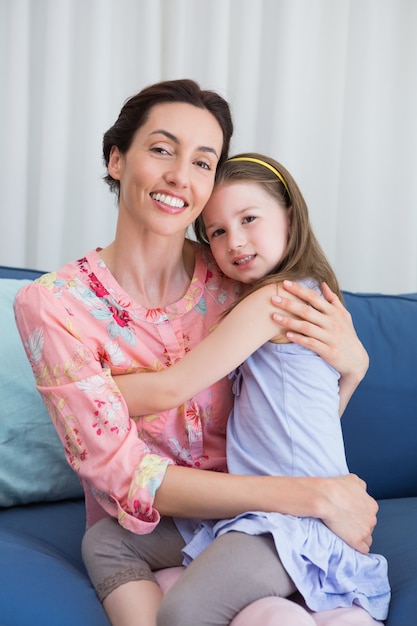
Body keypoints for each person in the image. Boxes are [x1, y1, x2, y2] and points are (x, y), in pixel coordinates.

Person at [13, 79, 375, 626]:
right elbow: (123, 471)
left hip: (259, 517)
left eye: (203, 162)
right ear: (116, 159)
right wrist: (312, 496)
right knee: (106, 543)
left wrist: (355, 363)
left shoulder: (237, 277)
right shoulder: (54, 306)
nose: (181, 176)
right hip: (187, 518)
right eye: (162, 149)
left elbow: (289, 410)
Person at [114, 153, 390, 623]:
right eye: (217, 231)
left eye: (249, 219)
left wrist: (77, 387)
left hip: (288, 522)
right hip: (262, 506)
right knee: (109, 541)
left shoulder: (276, 303)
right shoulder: (303, 295)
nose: (235, 241)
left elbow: (170, 389)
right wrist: (353, 372)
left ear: (289, 215)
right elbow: (311, 420)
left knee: (183, 612)